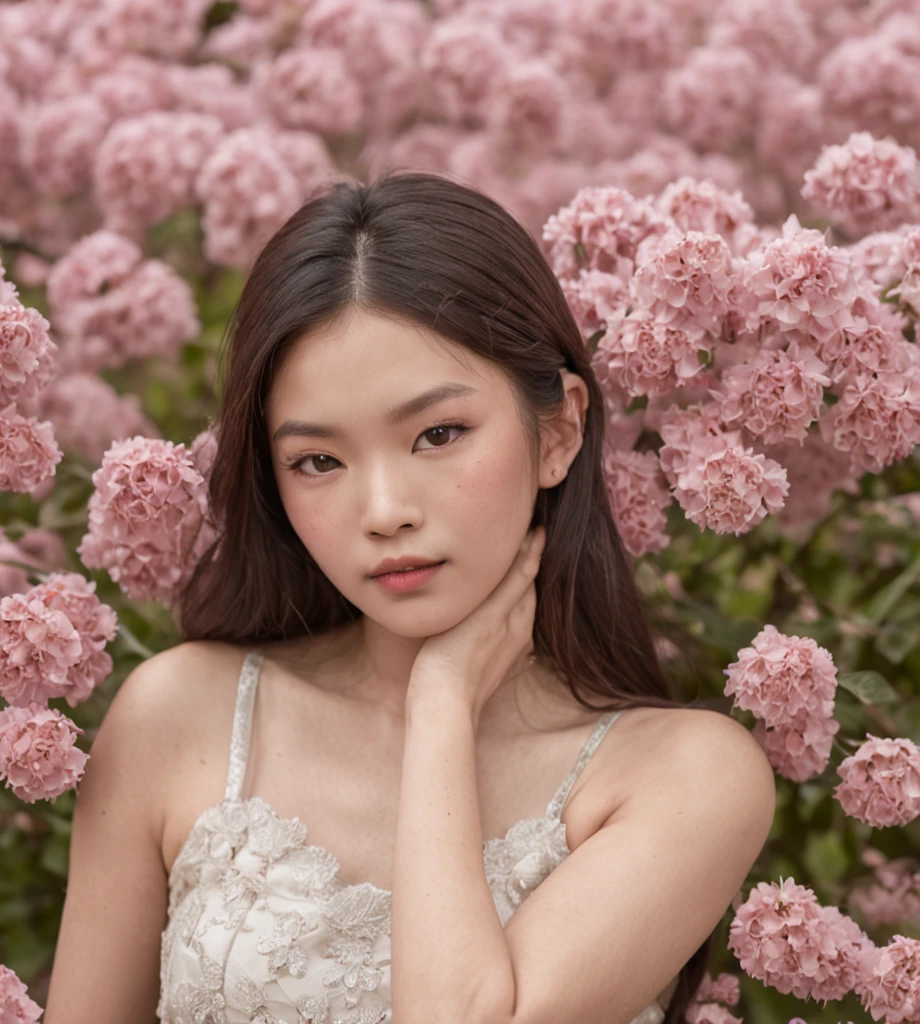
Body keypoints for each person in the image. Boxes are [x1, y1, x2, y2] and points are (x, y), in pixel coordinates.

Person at [44, 171, 775, 1024]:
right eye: (319, 460)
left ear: (559, 430)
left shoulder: (683, 776)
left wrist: (441, 705)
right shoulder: (180, 716)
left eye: (438, 434)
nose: (385, 512)